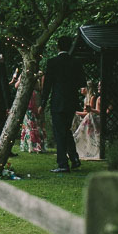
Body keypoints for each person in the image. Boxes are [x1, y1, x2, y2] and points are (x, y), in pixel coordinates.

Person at [42, 36, 86, 173]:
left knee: (60, 133)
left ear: (58, 47)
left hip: (58, 101)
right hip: (71, 101)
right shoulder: (76, 63)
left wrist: (42, 103)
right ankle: (74, 158)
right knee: (66, 131)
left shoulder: (52, 63)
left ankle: (63, 163)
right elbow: (82, 83)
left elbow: (47, 85)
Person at [73, 80, 101, 159]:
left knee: (78, 117)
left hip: (92, 118)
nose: (81, 89)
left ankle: (75, 138)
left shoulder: (92, 98)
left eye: (83, 87)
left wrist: (76, 112)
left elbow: (88, 112)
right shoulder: (86, 98)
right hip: (89, 117)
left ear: (87, 88)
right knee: (75, 116)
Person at [20, 74, 45, 154]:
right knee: (32, 126)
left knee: (33, 126)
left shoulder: (39, 74)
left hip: (32, 102)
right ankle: (34, 146)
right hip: (31, 104)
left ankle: (31, 146)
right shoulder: (32, 74)